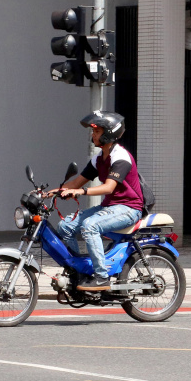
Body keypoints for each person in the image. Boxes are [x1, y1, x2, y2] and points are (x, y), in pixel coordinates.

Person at [50, 111, 143, 292]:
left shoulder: (120, 157)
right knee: (65, 226)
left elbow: (108, 187)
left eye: (97, 132)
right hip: (110, 207)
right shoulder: (99, 159)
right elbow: (77, 182)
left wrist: (80, 192)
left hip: (128, 208)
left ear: (109, 133)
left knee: (90, 225)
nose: (93, 135)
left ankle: (102, 277)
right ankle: (79, 271)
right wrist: (51, 192)